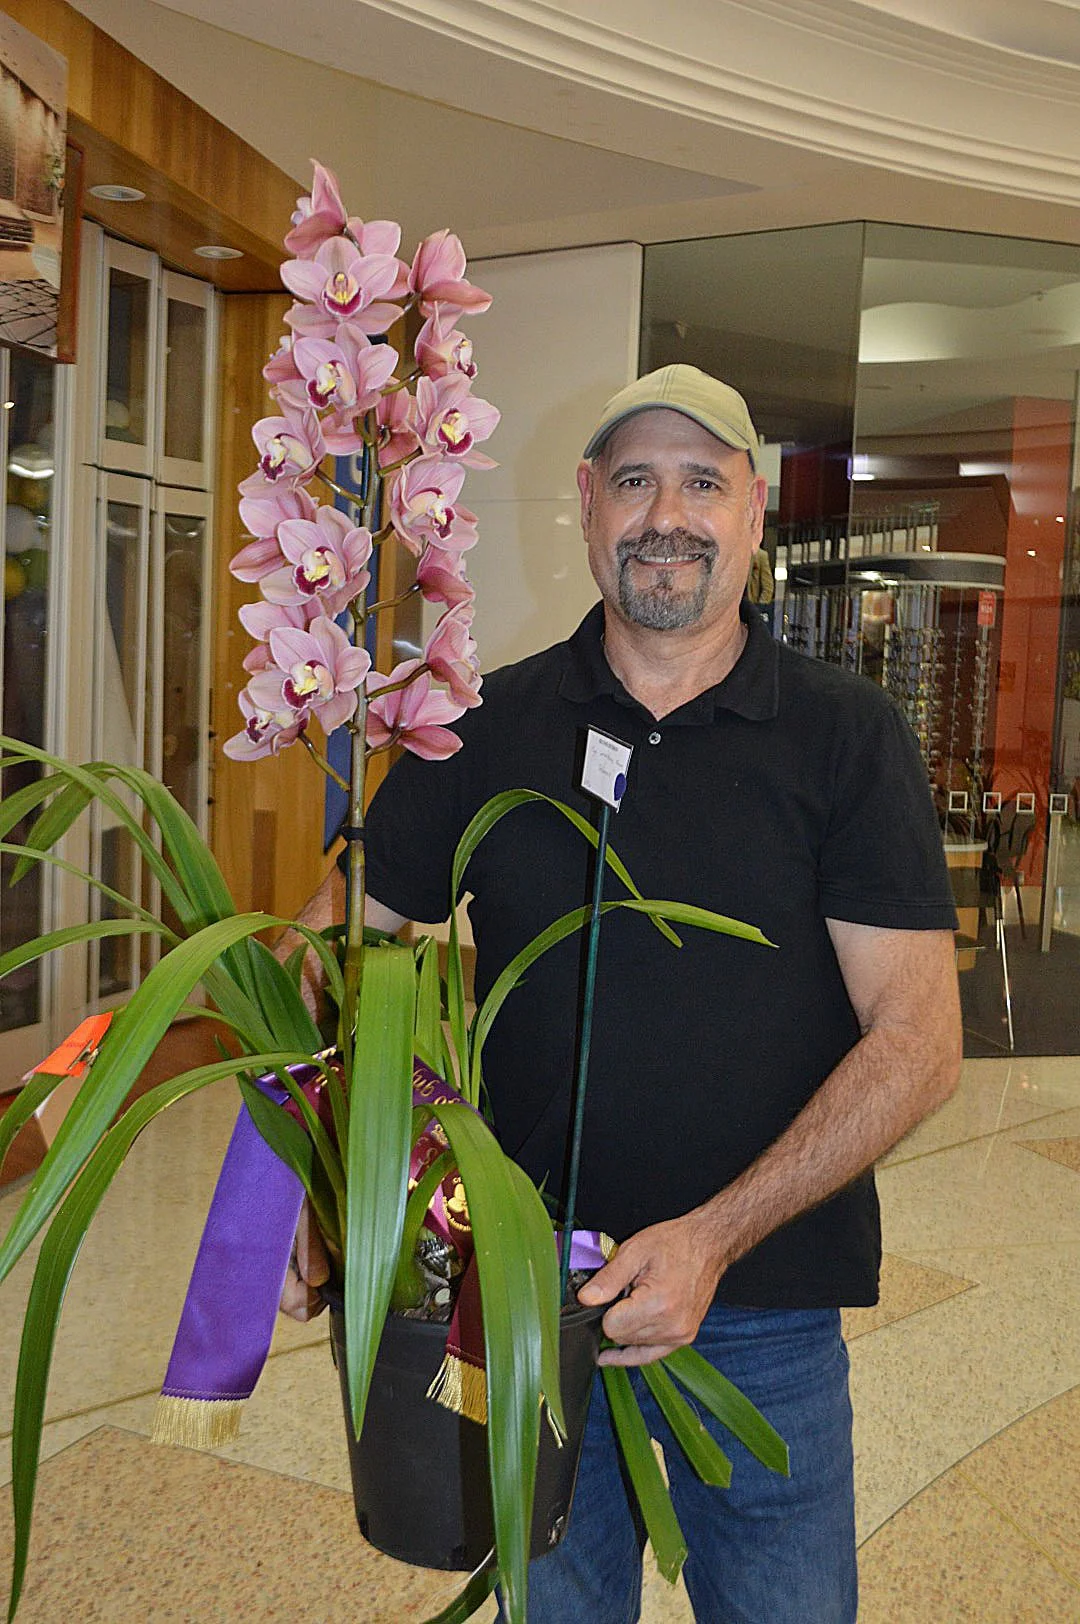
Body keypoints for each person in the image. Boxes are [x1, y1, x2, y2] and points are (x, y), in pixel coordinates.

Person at [284, 364, 962, 1623]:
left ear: (755, 512)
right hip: (520, 1296)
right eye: (636, 480)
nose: (668, 514)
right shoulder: (479, 721)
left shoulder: (846, 737)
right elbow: (335, 956)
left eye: (704, 481)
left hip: (765, 1310)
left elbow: (918, 1040)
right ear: (588, 505)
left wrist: (712, 1238)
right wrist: (330, 1179)